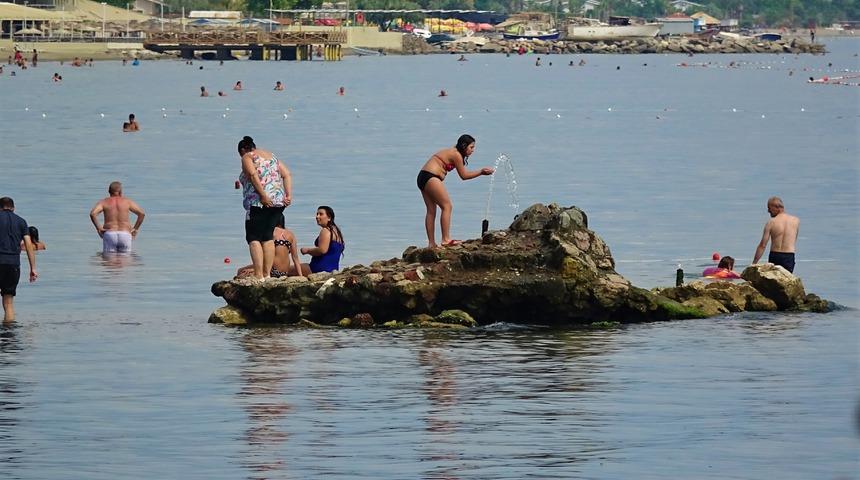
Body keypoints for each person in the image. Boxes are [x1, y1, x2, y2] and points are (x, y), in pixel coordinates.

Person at [417, 134, 494, 248]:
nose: (473, 150)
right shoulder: (456, 155)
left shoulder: (453, 151)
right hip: (431, 177)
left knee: (431, 210)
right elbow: (464, 175)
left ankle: (431, 243)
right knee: (447, 206)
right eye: (471, 147)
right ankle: (445, 239)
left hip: (422, 177)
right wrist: (481, 172)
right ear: (464, 146)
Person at [238, 136, 292, 280]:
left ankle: (258, 275)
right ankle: (267, 275)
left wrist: (262, 195)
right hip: (278, 202)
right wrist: (288, 195)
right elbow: (286, 174)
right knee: (267, 237)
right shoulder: (271, 156)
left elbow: (253, 174)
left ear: (243, 150)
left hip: (258, 203)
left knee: (253, 237)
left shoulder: (247, 157)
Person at [0, 197, 37, 323]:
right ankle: (8, 335)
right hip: (13, 264)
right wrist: (33, 268)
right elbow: (28, 245)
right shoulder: (21, 222)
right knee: (9, 302)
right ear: (13, 208)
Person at [237, 214, 301, 279]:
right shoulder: (291, 234)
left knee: (240, 271)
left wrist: (255, 270)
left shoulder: (269, 232)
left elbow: (263, 256)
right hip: (285, 272)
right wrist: (301, 276)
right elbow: (295, 259)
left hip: (272, 270)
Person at [89, 181, 146, 254]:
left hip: (110, 234)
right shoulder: (127, 201)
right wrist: (135, 229)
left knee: (109, 262)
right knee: (124, 262)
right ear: (121, 192)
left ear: (109, 192)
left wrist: (99, 229)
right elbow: (142, 214)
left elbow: (92, 214)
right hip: (125, 234)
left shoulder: (104, 202)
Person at [752, 196, 800, 273]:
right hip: (788, 256)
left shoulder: (771, 222)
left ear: (777, 207)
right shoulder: (796, 220)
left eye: (769, 208)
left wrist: (754, 263)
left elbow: (763, 245)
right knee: (786, 281)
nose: (768, 211)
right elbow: (794, 240)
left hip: (775, 255)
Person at [297, 206, 345, 275]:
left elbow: (322, 250)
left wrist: (307, 250)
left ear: (329, 218)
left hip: (319, 268)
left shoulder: (325, 230)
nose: (317, 216)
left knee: (288, 270)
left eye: (321, 214)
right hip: (333, 269)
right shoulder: (337, 232)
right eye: (317, 214)